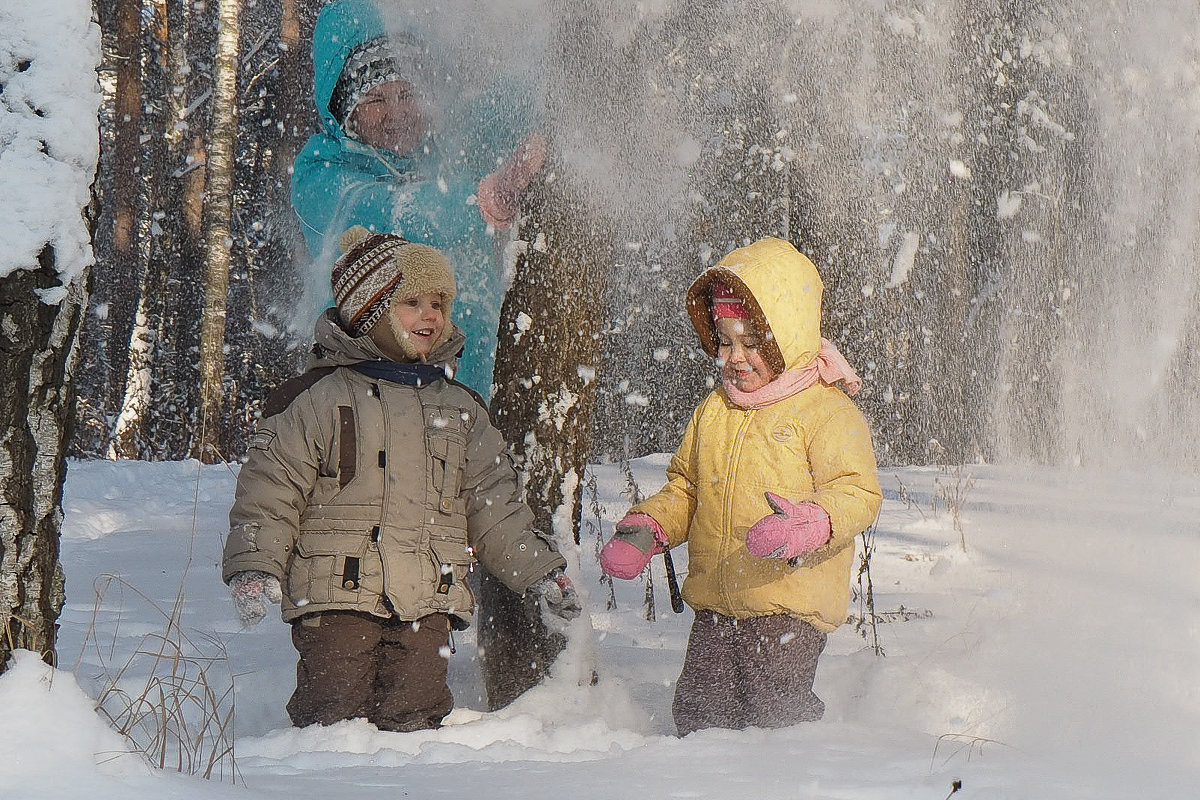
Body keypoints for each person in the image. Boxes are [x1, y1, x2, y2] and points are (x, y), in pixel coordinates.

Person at [223, 225, 580, 733]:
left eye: (439, 303)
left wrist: (540, 569)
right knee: (334, 711)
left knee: (416, 714)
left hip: (427, 600)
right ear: (370, 310)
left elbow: (495, 508)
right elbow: (270, 491)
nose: (431, 315)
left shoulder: (460, 410)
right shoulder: (317, 399)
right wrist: (255, 564)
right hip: (336, 595)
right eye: (413, 302)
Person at [599, 237, 882, 736]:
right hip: (717, 603)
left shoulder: (825, 412)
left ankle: (797, 778)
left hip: (787, 601)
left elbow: (857, 491)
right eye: (725, 341)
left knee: (776, 712)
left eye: (753, 343)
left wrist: (810, 523)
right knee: (700, 711)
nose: (736, 357)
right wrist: (648, 526)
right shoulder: (715, 411)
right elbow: (687, 487)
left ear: (787, 339)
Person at [290, 0, 543, 400]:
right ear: (345, 110)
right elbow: (392, 217)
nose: (397, 114)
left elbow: (506, 104)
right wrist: (479, 200)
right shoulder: (321, 172)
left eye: (408, 93)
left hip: (471, 398)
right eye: (375, 100)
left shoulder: (447, 147)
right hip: (371, 408)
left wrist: (551, 94)